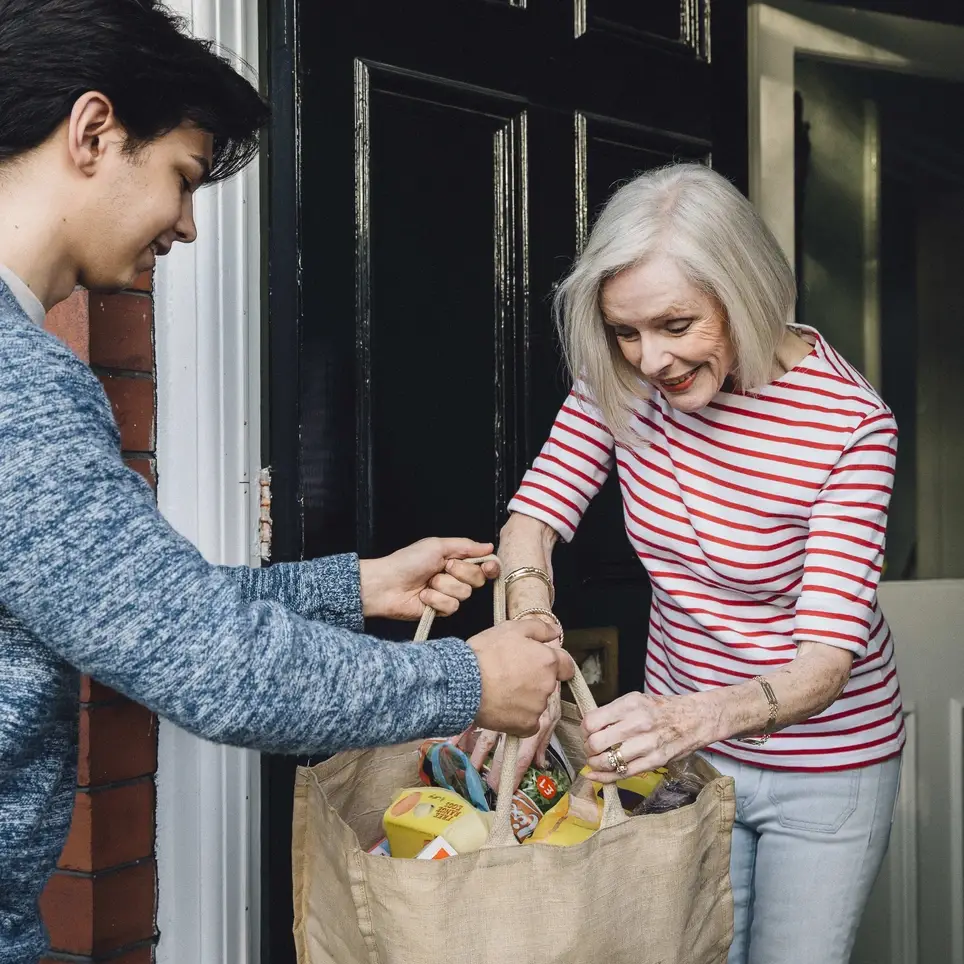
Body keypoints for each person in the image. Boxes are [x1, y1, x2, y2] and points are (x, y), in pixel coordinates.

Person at [0, 2, 573, 960]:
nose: (185, 226)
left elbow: (122, 607)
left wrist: (351, 587)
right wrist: (467, 678)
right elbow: (208, 663)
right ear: (93, 132)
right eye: (182, 178)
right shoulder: (20, 383)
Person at [488, 164, 904, 964]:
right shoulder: (619, 380)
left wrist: (689, 718)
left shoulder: (850, 428)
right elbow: (533, 519)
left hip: (824, 765)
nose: (649, 360)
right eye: (626, 330)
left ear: (743, 289)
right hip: (684, 758)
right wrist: (532, 631)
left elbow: (824, 666)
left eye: (676, 325)